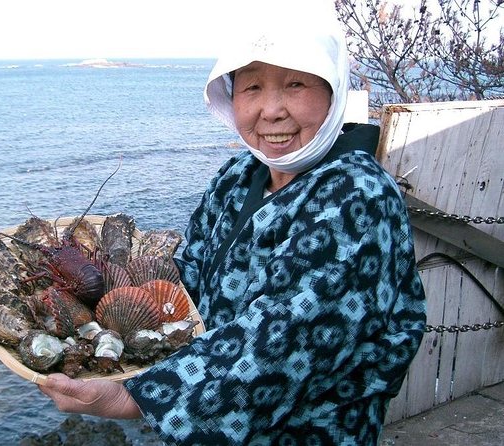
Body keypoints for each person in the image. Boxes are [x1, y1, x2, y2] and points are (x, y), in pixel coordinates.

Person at [38, 2, 427, 444]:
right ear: (230, 94)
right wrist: (96, 313)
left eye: (295, 84)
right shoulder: (237, 178)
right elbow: (186, 280)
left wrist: (133, 398)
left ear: (333, 90)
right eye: (252, 87)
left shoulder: (359, 197)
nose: (271, 110)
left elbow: (285, 342)